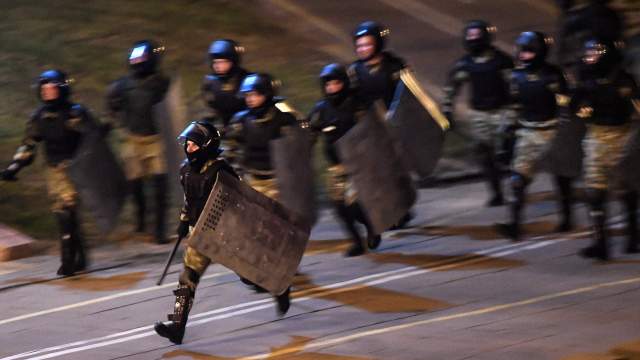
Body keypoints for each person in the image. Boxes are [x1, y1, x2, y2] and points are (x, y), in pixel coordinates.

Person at [154, 121, 291, 345]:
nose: (188, 148)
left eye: (194, 145)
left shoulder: (221, 171)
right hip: (199, 233)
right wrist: (183, 220)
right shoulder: (185, 171)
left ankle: (279, 288)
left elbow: (241, 201)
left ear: (206, 147)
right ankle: (177, 327)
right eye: (187, 144)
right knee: (187, 278)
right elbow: (189, 200)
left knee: (250, 277)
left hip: (225, 234)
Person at [0, 70, 100, 276]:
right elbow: (28, 146)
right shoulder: (39, 117)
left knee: (65, 213)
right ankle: (80, 257)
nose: (47, 92)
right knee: (67, 214)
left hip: (75, 168)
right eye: (44, 89)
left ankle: (68, 262)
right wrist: (14, 167)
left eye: (52, 88)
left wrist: (97, 133)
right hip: (54, 171)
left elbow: (93, 139)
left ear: (62, 89)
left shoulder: (75, 113)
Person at [496, 31, 574, 241]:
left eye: (529, 51)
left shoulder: (553, 76)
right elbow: (513, 107)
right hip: (528, 132)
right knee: (517, 180)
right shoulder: (516, 77)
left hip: (552, 132)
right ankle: (514, 224)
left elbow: (566, 105)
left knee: (562, 179)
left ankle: (567, 218)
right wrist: (506, 135)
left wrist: (568, 132)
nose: (523, 55)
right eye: (522, 51)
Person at [572, 38, 639, 260]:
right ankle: (600, 243)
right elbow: (576, 108)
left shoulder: (623, 81)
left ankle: (632, 239)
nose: (590, 57)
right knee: (594, 192)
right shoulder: (587, 82)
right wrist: (583, 110)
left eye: (595, 53)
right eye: (588, 53)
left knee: (628, 191)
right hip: (597, 137)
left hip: (622, 136)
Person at [307, 63, 381, 256]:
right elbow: (309, 136)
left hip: (359, 164)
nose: (332, 88)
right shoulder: (320, 110)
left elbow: (373, 132)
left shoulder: (358, 106)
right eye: (328, 85)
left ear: (344, 83)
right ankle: (357, 242)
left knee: (354, 205)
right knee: (339, 207)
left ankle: (372, 226)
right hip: (336, 167)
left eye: (336, 83)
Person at [348, 20, 413, 229]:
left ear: (378, 44)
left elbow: (409, 96)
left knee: (395, 173)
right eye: (359, 46)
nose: (363, 49)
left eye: (367, 44)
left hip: (394, 127)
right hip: (369, 129)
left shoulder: (396, 67)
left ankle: (402, 209)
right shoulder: (353, 73)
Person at [442, 20, 515, 207]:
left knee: (507, 153)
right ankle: (496, 193)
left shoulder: (501, 61)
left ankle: (516, 188)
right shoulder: (465, 64)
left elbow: (516, 87)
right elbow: (452, 88)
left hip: (502, 112)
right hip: (479, 114)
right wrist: (447, 110)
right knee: (485, 155)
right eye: (470, 35)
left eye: (477, 35)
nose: (473, 39)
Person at [106, 40, 171, 244]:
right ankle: (141, 222)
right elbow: (112, 109)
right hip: (133, 139)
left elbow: (172, 110)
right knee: (135, 185)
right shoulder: (122, 86)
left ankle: (160, 229)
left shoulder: (162, 84)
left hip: (156, 140)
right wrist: (109, 123)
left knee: (160, 185)